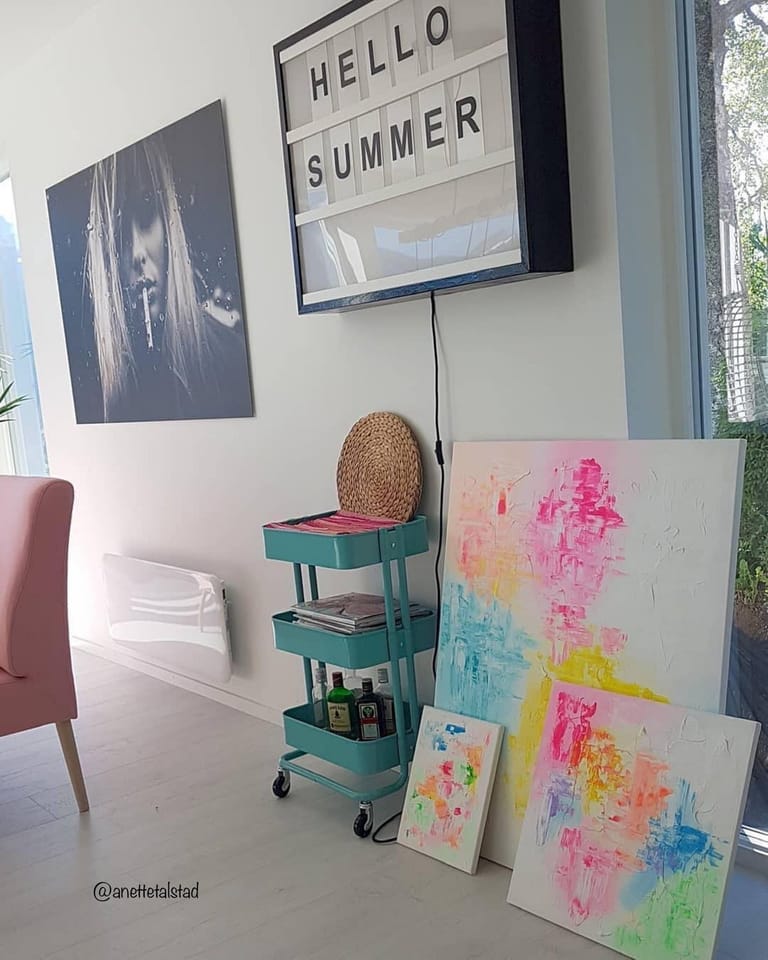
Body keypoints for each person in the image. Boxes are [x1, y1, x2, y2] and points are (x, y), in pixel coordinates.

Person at [84, 131, 250, 422]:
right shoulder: (99, 396)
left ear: (168, 220)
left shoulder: (231, 361)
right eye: (118, 231)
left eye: (147, 210)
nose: (137, 252)